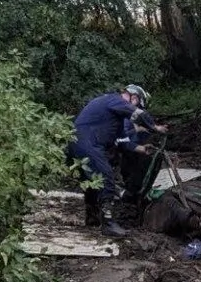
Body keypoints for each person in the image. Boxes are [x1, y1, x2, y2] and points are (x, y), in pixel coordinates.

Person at [68, 85, 167, 237]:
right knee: (106, 177)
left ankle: (93, 218)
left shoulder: (116, 116)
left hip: (78, 142)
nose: (135, 107)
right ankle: (108, 224)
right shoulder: (114, 100)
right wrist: (155, 128)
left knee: (93, 182)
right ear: (134, 98)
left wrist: (141, 149)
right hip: (87, 142)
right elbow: (139, 114)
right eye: (137, 104)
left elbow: (122, 141)